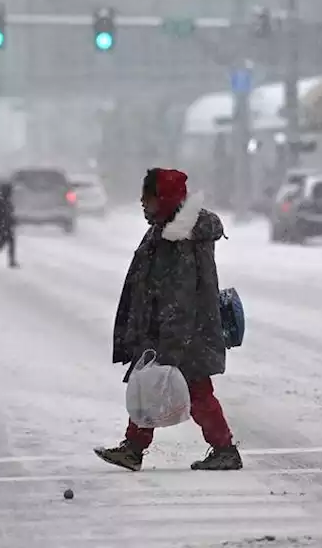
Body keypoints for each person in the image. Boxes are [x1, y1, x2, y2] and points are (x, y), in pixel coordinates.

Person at [94, 168, 242, 472]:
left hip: (183, 332)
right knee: (150, 385)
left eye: (147, 198)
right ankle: (134, 448)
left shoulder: (179, 239)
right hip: (173, 330)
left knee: (196, 392)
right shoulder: (167, 229)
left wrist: (171, 344)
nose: (142, 204)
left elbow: (181, 296)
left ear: (163, 198)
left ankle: (224, 449)